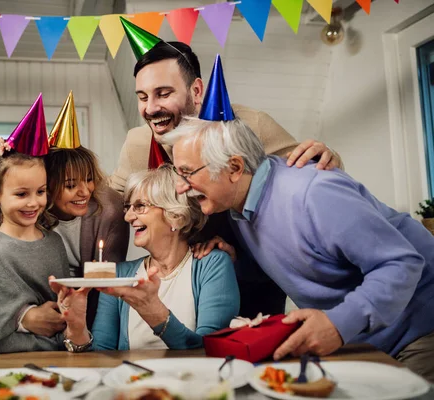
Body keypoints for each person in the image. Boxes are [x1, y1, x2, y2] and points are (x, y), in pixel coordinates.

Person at [166, 115, 434, 382]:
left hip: (420, 330)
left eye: (187, 173)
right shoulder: (240, 206)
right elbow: (301, 260)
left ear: (235, 167)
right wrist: (238, 261)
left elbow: (402, 264)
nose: (180, 187)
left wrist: (338, 324)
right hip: (364, 341)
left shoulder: (314, 194)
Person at [109, 20, 345, 317]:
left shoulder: (252, 125)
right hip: (183, 289)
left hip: (252, 281)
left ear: (196, 90)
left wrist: (329, 156)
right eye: (143, 97)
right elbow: (111, 202)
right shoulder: (138, 143)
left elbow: (309, 175)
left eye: (164, 93)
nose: (151, 108)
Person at [0, 92, 129, 332]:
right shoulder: (23, 216)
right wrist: (22, 317)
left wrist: (92, 343)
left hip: (86, 330)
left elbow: (108, 291)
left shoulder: (108, 210)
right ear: (47, 186)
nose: (85, 192)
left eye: (90, 179)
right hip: (39, 335)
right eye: (71, 185)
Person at [50, 164, 240, 351]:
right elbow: (102, 354)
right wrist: (77, 329)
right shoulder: (121, 274)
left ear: (175, 214)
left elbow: (208, 349)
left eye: (140, 206)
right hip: (134, 381)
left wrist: (154, 312)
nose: (128, 217)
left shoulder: (213, 264)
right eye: (128, 207)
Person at [0, 96, 71, 352]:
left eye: (41, 191)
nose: (33, 203)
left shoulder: (54, 242)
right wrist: (30, 324)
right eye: (21, 194)